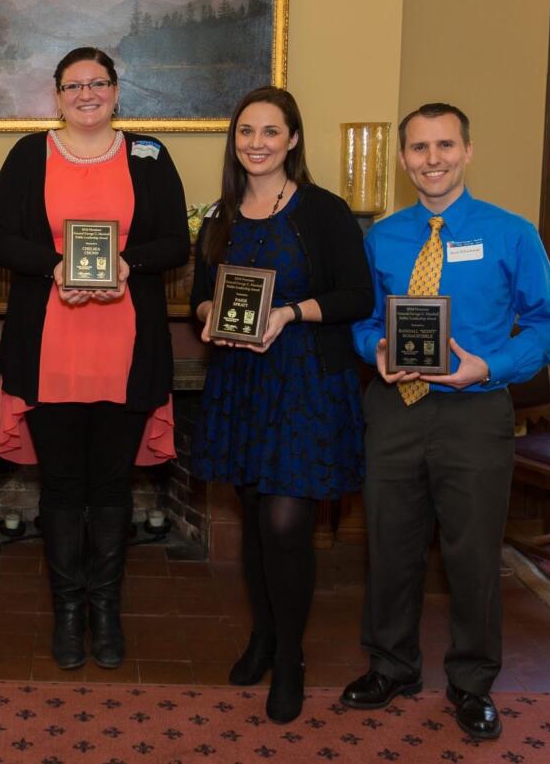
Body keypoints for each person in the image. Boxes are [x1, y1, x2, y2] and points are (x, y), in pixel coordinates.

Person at [340, 103, 550, 739]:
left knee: (471, 556)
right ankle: (391, 667)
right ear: (404, 158)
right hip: (395, 409)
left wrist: (489, 365)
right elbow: (361, 320)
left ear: (468, 151)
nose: (431, 159)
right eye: (418, 148)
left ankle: (472, 684)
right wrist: (375, 349)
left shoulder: (511, 233)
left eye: (444, 145)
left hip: (474, 411)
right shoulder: (382, 237)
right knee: (389, 546)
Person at [0, 47, 189, 671]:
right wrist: (55, 268)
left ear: (116, 91)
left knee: (110, 486)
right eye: (73, 85)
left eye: (97, 83)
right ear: (56, 96)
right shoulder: (28, 155)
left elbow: (177, 241)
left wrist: (128, 264)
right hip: (51, 349)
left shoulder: (149, 156)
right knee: (62, 486)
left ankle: (106, 609)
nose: (86, 94)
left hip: (125, 349)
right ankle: (67, 611)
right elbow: (1, 241)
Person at [189, 87, 373, 723]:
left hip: (304, 384)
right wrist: (211, 313)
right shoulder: (219, 216)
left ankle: (289, 656)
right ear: (234, 140)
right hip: (241, 382)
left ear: (292, 139)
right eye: (246, 132)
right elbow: (200, 297)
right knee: (253, 515)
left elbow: (357, 296)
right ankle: (263, 635)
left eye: (270, 132)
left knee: (287, 524)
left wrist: (291, 312)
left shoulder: (323, 212)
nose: (256, 143)